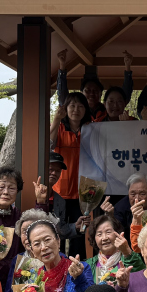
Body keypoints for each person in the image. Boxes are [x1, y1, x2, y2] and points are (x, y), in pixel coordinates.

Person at [56, 48, 134, 121]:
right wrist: (62, 66)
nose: (91, 94)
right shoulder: (76, 111)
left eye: (95, 91)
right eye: (88, 90)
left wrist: (128, 67)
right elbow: (64, 99)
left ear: (101, 94)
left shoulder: (107, 111)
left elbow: (124, 96)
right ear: (82, 93)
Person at [51, 92, 93, 225]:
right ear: (65, 108)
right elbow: (48, 145)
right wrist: (56, 120)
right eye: (72, 105)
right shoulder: (59, 128)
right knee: (57, 232)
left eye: (80, 106)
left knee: (79, 233)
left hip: (83, 192)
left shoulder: (92, 129)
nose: (76, 110)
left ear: (85, 109)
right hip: (60, 190)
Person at [34, 152, 86, 254]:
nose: (54, 173)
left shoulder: (60, 201)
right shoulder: (30, 194)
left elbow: (60, 231)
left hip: (53, 253)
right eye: (50, 169)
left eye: (58, 171)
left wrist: (75, 227)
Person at [86, 214, 145, 282]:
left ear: (117, 233)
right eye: (99, 234)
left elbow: (141, 276)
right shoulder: (89, 265)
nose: (104, 238)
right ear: (94, 238)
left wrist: (127, 252)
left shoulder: (129, 258)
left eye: (108, 232)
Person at [111, 172, 147, 237]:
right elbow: (118, 234)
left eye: (142, 194)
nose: (137, 199)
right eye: (133, 194)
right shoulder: (120, 208)